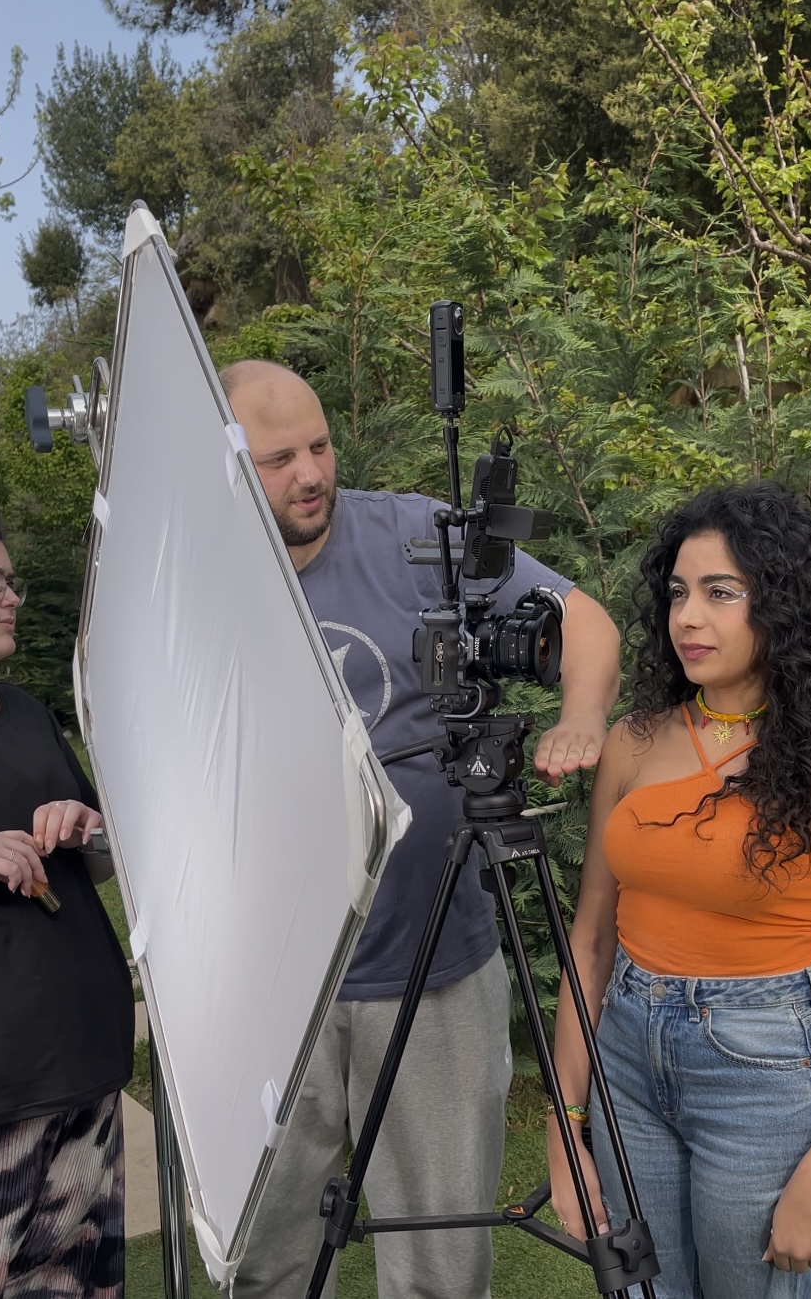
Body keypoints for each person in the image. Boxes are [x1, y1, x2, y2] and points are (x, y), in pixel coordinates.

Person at [219, 359, 621, 1299]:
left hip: (433, 964)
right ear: (227, 462)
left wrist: (581, 713)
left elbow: (582, 622)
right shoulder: (196, 576)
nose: (311, 475)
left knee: (441, 1265)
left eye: (320, 446)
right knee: (266, 1265)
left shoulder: (412, 533)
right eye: (279, 459)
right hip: (265, 993)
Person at [546, 482, 811, 1298]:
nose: (688, 618)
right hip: (626, 1057)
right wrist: (566, 1131)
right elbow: (590, 943)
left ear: (786, 608)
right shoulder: (634, 743)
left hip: (765, 1072)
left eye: (721, 593)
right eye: (678, 593)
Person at [0, 501, 135, 1299]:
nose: (10, 597)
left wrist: (89, 830)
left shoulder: (25, 715)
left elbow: (108, 867)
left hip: (83, 1072)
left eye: (11, 581)